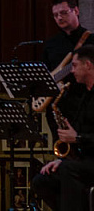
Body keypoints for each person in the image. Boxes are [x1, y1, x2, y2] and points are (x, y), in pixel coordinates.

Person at [32, 44, 94, 210]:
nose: (71, 71)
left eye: (74, 66)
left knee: (67, 170)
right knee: (42, 180)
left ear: (88, 65)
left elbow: (81, 136)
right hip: (85, 161)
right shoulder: (85, 96)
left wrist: (78, 138)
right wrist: (62, 159)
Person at [42, 0, 90, 127]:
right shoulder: (51, 44)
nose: (59, 18)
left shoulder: (90, 40)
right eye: (55, 15)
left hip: (84, 104)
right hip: (58, 107)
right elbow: (46, 75)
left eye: (63, 13)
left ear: (76, 11)